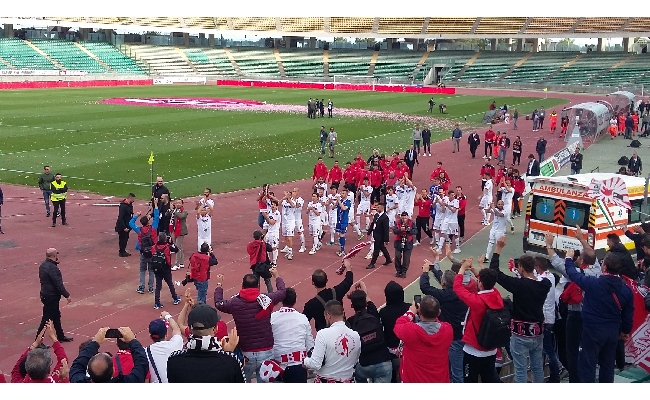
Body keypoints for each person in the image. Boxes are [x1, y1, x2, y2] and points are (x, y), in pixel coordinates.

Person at [564, 249, 634, 383]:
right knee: (607, 366)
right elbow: (628, 314)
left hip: (592, 331)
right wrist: (625, 331)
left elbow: (573, 274)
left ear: (605, 267)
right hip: (612, 332)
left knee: (588, 365)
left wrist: (568, 259)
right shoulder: (626, 290)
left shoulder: (593, 283)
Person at [490, 236, 551, 383]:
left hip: (520, 334)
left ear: (521, 268)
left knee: (521, 369)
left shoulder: (518, 285)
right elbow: (536, 279)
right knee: (537, 367)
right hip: (537, 332)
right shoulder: (545, 285)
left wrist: (498, 249)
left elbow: (495, 272)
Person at [214, 270, 286, 382]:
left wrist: (219, 285)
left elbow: (219, 303)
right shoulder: (266, 299)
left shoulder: (234, 302)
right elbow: (282, 292)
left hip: (245, 352)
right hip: (266, 349)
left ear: (242, 286)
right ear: (258, 286)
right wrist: (277, 275)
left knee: (241, 381)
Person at [420, 255, 468, 383]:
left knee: (456, 372)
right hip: (464, 335)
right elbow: (444, 278)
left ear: (443, 283)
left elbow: (425, 287)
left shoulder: (444, 295)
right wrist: (433, 269)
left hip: (452, 338)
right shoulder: (463, 292)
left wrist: (425, 272)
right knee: (454, 369)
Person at [454, 259, 503, 383]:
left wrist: (462, 269)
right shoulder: (497, 295)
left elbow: (457, 287)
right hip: (491, 350)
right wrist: (476, 272)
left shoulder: (477, 301)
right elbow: (486, 284)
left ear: (480, 283)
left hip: (473, 350)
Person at [167, 305, 244, 383]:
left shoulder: (173, 359)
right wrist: (228, 354)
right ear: (215, 329)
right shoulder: (231, 361)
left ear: (190, 329)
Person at [394, 295, 454, 383]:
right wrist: (431, 313)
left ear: (420, 312)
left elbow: (399, 325)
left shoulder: (411, 331)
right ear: (438, 313)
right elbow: (436, 322)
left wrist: (411, 312)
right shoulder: (448, 330)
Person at [303, 300, 361, 383]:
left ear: (328, 315)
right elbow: (355, 360)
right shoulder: (355, 335)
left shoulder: (322, 334)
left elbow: (315, 364)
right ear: (343, 314)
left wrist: (304, 361)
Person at [346, 283, 393, 383]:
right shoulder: (373, 314)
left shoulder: (351, 321)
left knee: (357, 375)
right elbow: (369, 302)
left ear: (352, 306)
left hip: (365, 365)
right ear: (365, 303)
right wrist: (364, 291)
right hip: (384, 362)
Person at [268, 288, 314, 383]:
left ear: (282, 300)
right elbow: (310, 344)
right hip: (299, 365)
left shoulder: (272, 317)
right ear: (295, 300)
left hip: (278, 365)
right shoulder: (303, 318)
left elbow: (267, 339)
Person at [70, 327, 148, 383]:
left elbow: (77, 365)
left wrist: (95, 342)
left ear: (88, 372)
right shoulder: (129, 382)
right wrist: (132, 340)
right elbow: (142, 363)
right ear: (113, 370)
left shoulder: (79, 382)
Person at [304, 259, 354, 331]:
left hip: (325, 336)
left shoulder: (311, 304)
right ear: (327, 280)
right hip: (341, 331)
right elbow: (349, 281)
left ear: (313, 283)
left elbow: (304, 322)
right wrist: (348, 268)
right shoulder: (337, 291)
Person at [533, 257, 561, 383]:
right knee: (547, 350)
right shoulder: (550, 276)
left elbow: (531, 281)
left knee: (548, 351)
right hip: (550, 319)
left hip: (545, 321)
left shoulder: (541, 280)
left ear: (538, 268)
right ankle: (554, 374)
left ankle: (555, 375)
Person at [36, 248, 73, 342]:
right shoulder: (52, 268)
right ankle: (38, 340)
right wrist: (66, 295)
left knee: (56, 316)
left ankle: (60, 336)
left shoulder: (43, 265)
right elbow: (58, 283)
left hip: (46, 294)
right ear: (54, 256)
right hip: (51, 296)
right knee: (46, 319)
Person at [129, 199, 160, 294]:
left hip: (143, 252)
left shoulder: (139, 230)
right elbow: (157, 217)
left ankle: (141, 287)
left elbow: (130, 223)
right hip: (153, 251)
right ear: (148, 221)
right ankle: (151, 287)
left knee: (142, 270)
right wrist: (155, 205)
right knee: (151, 270)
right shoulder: (153, 228)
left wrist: (136, 216)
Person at [146, 312, 183, 383]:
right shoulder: (175, 344)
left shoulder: (145, 352)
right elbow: (177, 330)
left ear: (150, 336)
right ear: (166, 333)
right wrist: (167, 316)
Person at [151, 233, 181, 309]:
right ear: (165, 239)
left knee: (158, 286)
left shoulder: (154, 247)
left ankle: (157, 303)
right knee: (170, 284)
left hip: (156, 269)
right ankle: (175, 298)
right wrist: (171, 242)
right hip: (166, 269)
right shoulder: (168, 247)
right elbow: (176, 250)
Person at [366, 203, 392, 270]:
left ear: (382, 208)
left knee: (376, 250)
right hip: (375, 234)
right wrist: (369, 232)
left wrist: (386, 239)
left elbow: (386, 229)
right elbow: (372, 224)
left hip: (380, 236)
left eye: (378, 207)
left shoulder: (385, 218)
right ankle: (388, 259)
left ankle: (372, 263)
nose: (376, 208)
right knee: (382, 247)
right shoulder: (376, 215)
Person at [393, 212, 417, 278]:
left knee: (406, 258)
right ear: (401, 217)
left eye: (405, 218)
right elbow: (395, 231)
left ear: (407, 217)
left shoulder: (412, 223)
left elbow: (415, 231)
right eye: (403, 218)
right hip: (398, 241)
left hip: (408, 242)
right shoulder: (397, 222)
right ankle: (398, 271)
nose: (404, 219)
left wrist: (409, 229)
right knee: (397, 256)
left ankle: (404, 272)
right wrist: (400, 230)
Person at [115, 193, 135, 257]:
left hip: (127, 225)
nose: (134, 200)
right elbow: (121, 217)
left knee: (125, 238)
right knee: (123, 239)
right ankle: (122, 252)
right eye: (133, 199)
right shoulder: (123, 206)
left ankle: (123, 251)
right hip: (123, 226)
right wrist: (124, 227)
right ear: (130, 198)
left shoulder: (129, 205)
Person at [170, 199, 188, 270]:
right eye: (176, 203)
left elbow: (181, 216)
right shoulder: (175, 211)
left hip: (181, 231)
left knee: (177, 247)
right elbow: (167, 215)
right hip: (175, 230)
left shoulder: (184, 212)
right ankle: (181, 262)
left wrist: (173, 211)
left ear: (182, 204)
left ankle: (177, 264)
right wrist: (170, 210)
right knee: (179, 247)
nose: (177, 204)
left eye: (179, 203)